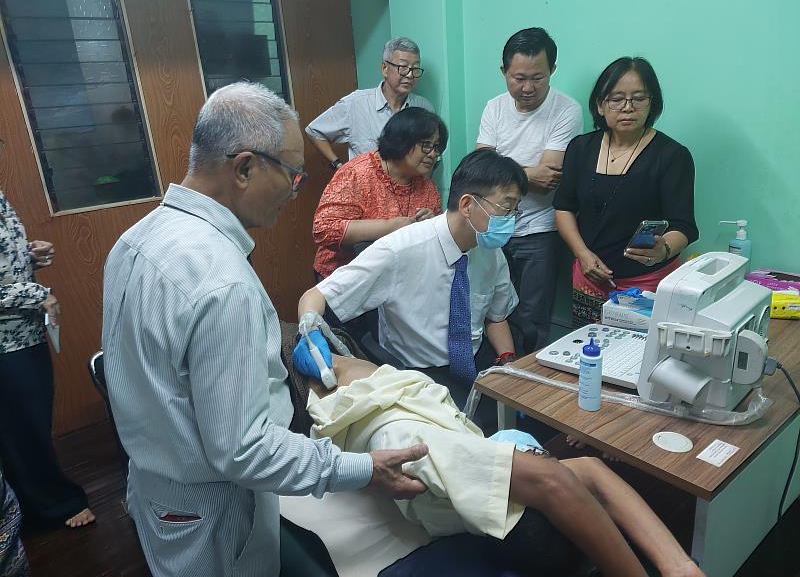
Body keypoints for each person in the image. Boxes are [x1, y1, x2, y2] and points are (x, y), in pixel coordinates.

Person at [101, 82, 429, 577]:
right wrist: (364, 469)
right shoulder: (221, 281)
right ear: (245, 167)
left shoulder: (135, 237)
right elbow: (242, 449)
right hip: (214, 510)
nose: (296, 193)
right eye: (294, 175)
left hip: (156, 487)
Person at [303, 353, 705, 577]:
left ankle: (680, 567)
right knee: (580, 472)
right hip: (531, 536)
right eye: (341, 358)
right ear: (328, 384)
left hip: (521, 515)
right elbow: (552, 482)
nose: (351, 357)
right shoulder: (397, 433)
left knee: (589, 467)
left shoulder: (376, 402)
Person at [296, 149, 523, 414]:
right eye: (505, 208)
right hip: (418, 374)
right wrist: (310, 331)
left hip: (475, 362)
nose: (511, 220)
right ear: (467, 205)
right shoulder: (400, 249)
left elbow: (496, 317)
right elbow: (315, 296)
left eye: (515, 210)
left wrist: (508, 362)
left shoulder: (489, 249)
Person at [553, 57, 698, 326]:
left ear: (651, 103)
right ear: (600, 104)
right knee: (587, 353)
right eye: (617, 99)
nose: (627, 108)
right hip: (589, 279)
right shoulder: (581, 148)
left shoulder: (671, 156)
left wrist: (663, 249)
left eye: (638, 99)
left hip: (647, 282)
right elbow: (564, 207)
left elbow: (684, 225)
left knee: (637, 360)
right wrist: (582, 254)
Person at [476, 27, 583, 355]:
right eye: (518, 77)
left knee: (533, 317)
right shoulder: (494, 107)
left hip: (539, 232)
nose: (527, 87)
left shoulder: (566, 110)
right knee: (488, 310)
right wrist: (525, 171)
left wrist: (500, 167)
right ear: (504, 72)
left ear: (552, 70)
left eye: (537, 77)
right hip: (492, 229)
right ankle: (495, 377)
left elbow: (547, 177)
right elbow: (480, 170)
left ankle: (526, 389)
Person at [0, 190, 94, 529]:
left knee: (30, 424)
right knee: (21, 432)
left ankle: (28, 506)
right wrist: (38, 294)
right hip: (5, 345)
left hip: (26, 333)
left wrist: (32, 255)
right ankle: (53, 507)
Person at [313, 107, 446, 280]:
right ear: (402, 140)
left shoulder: (426, 186)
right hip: (343, 277)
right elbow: (324, 229)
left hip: (393, 279)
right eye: (426, 145)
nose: (434, 154)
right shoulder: (357, 173)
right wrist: (390, 227)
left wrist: (431, 224)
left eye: (437, 147)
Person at [305, 37, 434, 169]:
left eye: (415, 69)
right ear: (384, 68)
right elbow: (314, 131)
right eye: (403, 67)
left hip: (410, 187)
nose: (410, 75)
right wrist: (338, 165)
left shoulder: (423, 108)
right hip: (366, 187)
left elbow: (431, 150)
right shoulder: (356, 104)